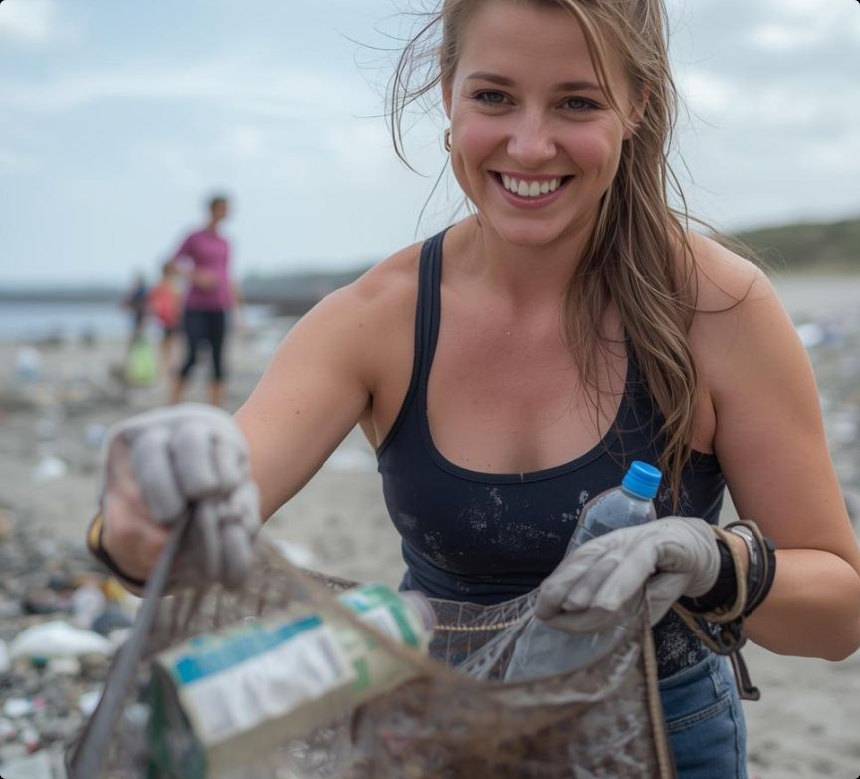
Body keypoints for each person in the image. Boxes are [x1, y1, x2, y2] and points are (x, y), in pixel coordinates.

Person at [88, 1, 860, 776]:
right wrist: (143, 501)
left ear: (638, 106)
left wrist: (717, 562)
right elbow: (166, 541)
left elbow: (839, 614)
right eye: (494, 96)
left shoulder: (717, 307)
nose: (530, 144)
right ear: (448, 92)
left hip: (667, 736)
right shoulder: (376, 319)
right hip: (438, 740)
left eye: (577, 102)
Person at [169, 194, 242, 408]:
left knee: (218, 359)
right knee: (192, 354)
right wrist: (195, 276)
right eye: (223, 208)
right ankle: (174, 402)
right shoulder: (194, 237)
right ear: (212, 209)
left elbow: (228, 275)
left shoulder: (226, 242)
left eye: (228, 209)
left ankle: (217, 408)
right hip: (196, 307)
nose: (226, 213)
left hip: (220, 307)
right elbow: (172, 264)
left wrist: (237, 309)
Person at [147, 259, 184, 380]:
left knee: (169, 344)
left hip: (168, 319)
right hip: (167, 319)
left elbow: (153, 303)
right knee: (169, 344)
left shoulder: (164, 285)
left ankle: (167, 368)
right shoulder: (172, 285)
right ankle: (167, 368)